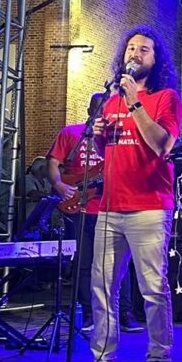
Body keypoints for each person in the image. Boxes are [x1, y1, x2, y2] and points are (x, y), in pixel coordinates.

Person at [79, 26, 182, 362]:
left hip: (149, 207)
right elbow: (109, 151)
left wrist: (135, 101)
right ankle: (103, 361)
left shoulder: (166, 98)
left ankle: (159, 359)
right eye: (131, 48)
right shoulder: (111, 99)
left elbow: (161, 145)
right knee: (103, 287)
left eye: (144, 49)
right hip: (110, 206)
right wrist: (98, 137)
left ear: (156, 60)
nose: (135, 53)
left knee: (152, 288)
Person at [48, 93, 142, 334]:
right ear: (89, 111)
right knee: (83, 261)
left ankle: (124, 313)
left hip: (110, 207)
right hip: (79, 206)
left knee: (120, 263)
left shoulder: (120, 136)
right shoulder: (71, 133)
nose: (101, 113)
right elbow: (53, 161)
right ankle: (89, 312)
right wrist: (58, 184)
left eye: (106, 109)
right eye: (98, 109)